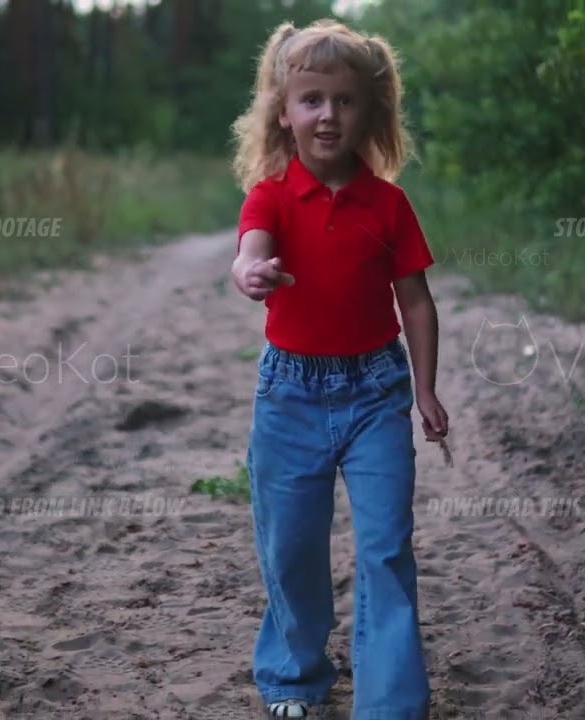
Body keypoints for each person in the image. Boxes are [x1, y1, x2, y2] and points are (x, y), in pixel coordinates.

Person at [227, 17, 448, 720]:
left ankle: (389, 703)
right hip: (289, 395)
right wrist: (250, 271)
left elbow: (415, 301)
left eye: (345, 100)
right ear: (284, 112)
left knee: (385, 548)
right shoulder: (270, 194)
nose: (328, 115)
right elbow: (248, 250)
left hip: (376, 393)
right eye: (312, 99)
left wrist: (425, 389)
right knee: (290, 548)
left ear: (369, 112)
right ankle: (294, 677)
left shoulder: (388, 204)